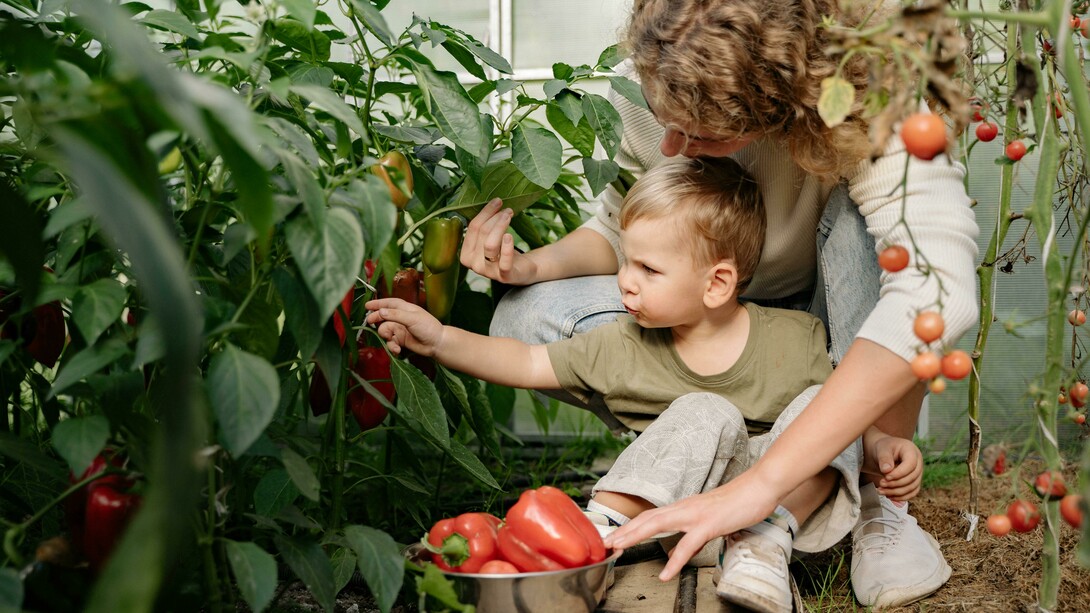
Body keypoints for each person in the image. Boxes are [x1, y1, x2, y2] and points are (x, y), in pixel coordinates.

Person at [459, 0, 978, 608]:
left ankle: (868, 499)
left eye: (703, 133)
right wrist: (530, 265)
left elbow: (935, 286)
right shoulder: (651, 76)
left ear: (785, 103)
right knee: (529, 314)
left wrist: (765, 485)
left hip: (825, 331)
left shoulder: (874, 96)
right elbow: (622, 228)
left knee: (886, 241)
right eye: (663, 118)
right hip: (708, 324)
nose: (673, 147)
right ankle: (717, 463)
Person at [367, 159, 923, 612]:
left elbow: (846, 417)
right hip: (671, 513)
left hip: (774, 509)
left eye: (647, 270)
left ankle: (763, 545)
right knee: (703, 410)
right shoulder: (624, 343)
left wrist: (881, 444)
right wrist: (440, 339)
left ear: (717, 283)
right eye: (625, 263)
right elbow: (526, 360)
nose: (624, 283)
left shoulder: (797, 339)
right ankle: (596, 533)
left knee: (822, 403)